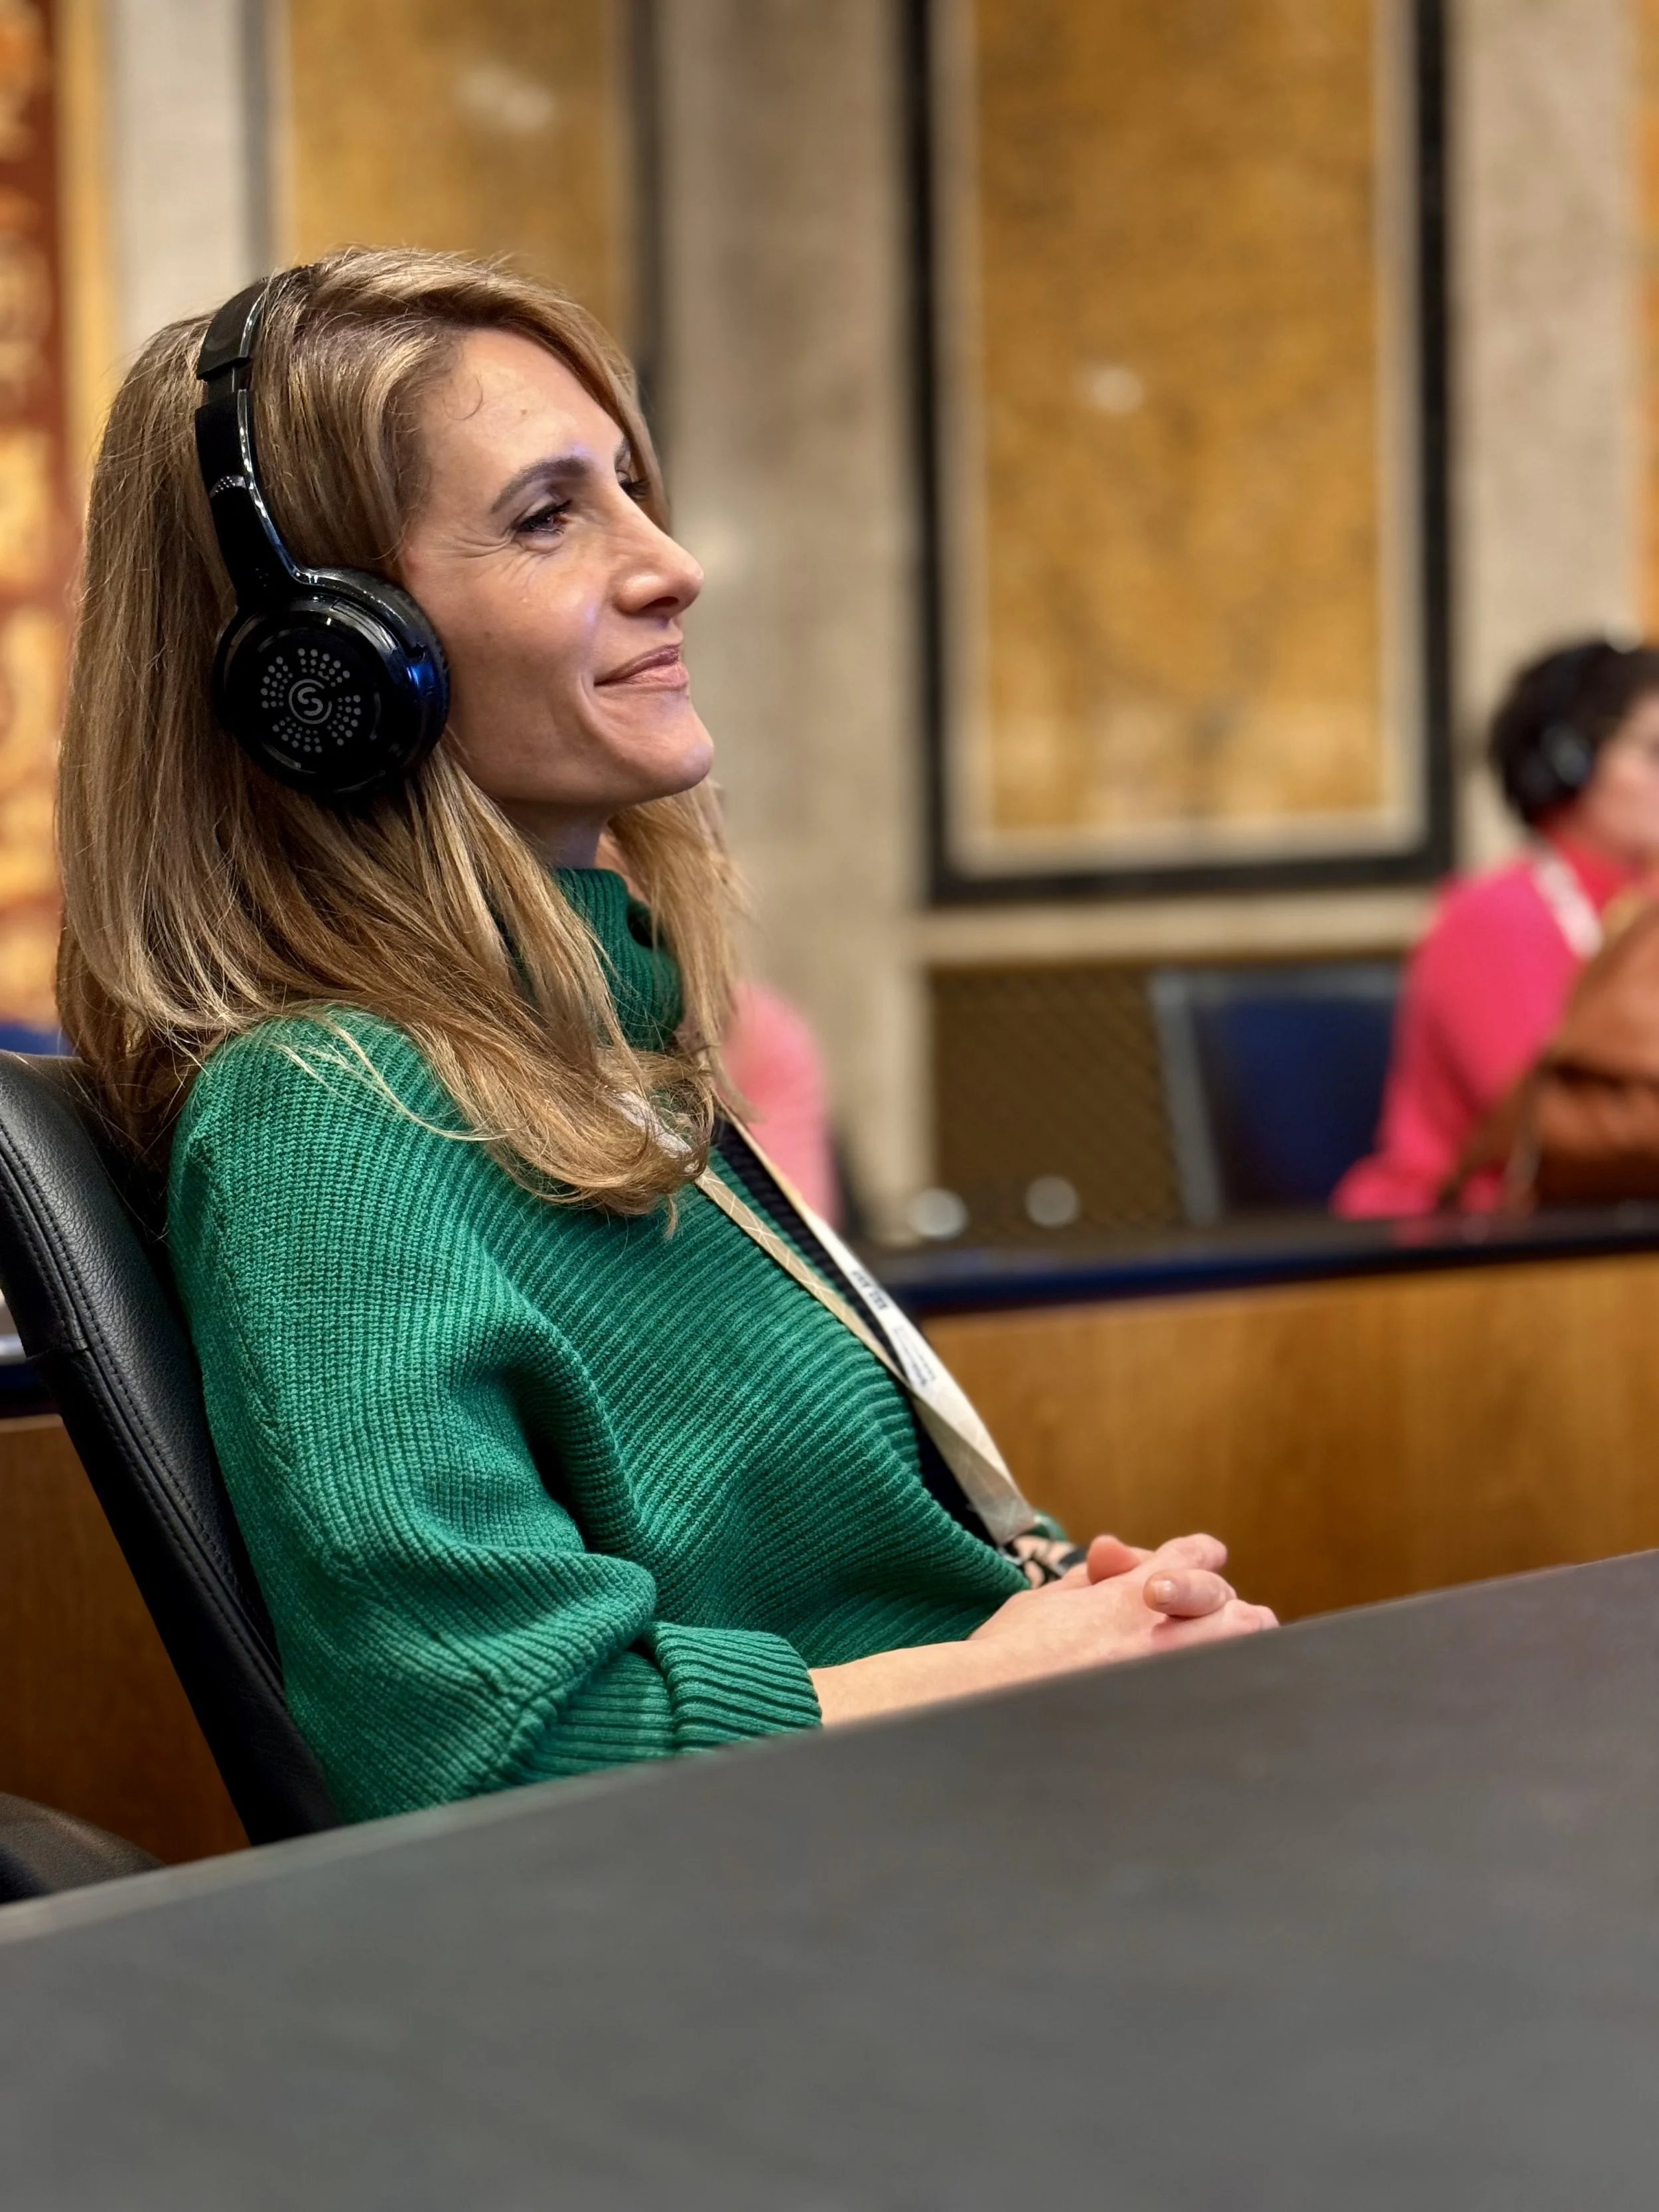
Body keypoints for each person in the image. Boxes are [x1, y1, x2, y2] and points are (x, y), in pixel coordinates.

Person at [56, 249, 1273, 1825]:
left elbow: (831, 1594)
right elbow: (500, 1760)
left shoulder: (598, 1041)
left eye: (632, 489)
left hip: (926, 1852)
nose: (673, 563)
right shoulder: (331, 1119)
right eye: (551, 515)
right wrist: (1002, 1671)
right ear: (329, 665)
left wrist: (1070, 1611)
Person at [1335, 638, 1659, 1217]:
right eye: (1656, 750)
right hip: (1469, 1248)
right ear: (1570, 762)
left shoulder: (1643, 906)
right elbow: (1553, 1131)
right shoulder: (1489, 918)